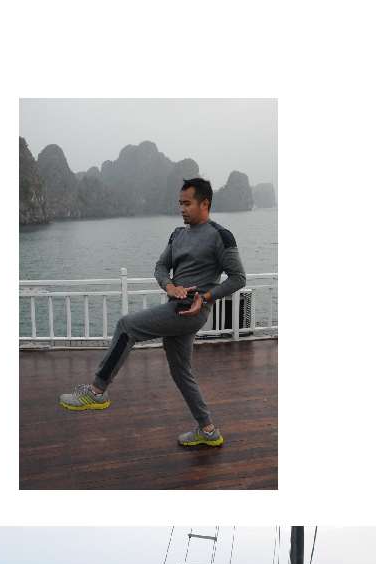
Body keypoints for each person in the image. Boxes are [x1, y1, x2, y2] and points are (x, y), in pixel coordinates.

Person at [59, 178, 246, 447]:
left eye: (187, 203)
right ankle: (208, 430)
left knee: (127, 326)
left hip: (192, 309)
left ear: (205, 203)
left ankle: (96, 391)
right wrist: (170, 286)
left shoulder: (220, 236)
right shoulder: (177, 234)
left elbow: (238, 278)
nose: (182, 209)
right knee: (181, 372)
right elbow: (160, 266)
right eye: (180, 203)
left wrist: (205, 297)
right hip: (176, 306)